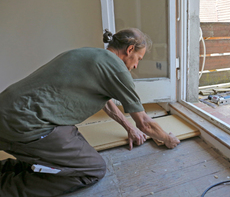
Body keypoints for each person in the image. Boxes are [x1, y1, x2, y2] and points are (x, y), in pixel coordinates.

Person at [0, 28, 180, 197]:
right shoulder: (118, 69)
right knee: (92, 170)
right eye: (139, 59)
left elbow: (106, 101)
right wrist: (168, 139)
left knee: (66, 143)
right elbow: (145, 123)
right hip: (27, 124)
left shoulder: (88, 54)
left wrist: (128, 127)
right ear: (130, 49)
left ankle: (6, 169)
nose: (135, 66)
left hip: (7, 109)